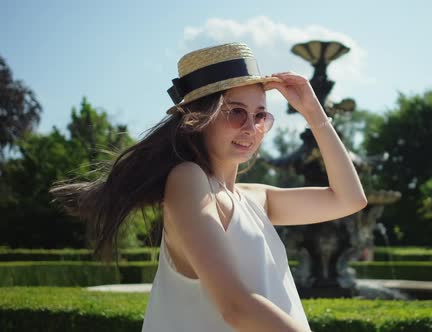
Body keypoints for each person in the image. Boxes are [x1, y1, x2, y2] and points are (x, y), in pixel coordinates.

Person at [49, 42, 367, 332]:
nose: (250, 127)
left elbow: (349, 199)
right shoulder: (188, 180)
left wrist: (315, 114)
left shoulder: (255, 198)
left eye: (260, 116)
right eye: (236, 112)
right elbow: (236, 308)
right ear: (201, 117)